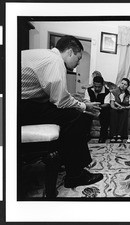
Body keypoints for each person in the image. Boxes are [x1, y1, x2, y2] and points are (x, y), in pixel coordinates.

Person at [21, 35, 104, 188]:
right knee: (76, 116)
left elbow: (55, 94)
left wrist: (80, 101)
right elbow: (61, 101)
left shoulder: (46, 56)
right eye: (78, 59)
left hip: (17, 105)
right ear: (70, 52)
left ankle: (67, 160)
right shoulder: (56, 61)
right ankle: (75, 175)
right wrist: (85, 106)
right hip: (18, 108)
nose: (78, 63)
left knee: (73, 112)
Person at [84, 75, 111, 143]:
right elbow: (87, 101)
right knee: (84, 113)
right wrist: (91, 106)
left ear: (102, 85)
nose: (97, 88)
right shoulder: (88, 90)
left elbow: (106, 104)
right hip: (90, 108)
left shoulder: (107, 92)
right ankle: (86, 135)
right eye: (95, 86)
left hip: (101, 109)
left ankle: (103, 136)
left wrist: (97, 106)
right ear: (93, 84)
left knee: (106, 112)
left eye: (99, 87)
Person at [109, 78, 130, 142]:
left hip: (124, 108)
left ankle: (119, 135)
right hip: (115, 108)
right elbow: (112, 104)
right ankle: (113, 135)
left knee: (124, 113)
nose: (123, 85)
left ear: (127, 86)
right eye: (122, 83)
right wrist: (116, 108)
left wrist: (124, 108)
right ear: (120, 83)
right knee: (113, 112)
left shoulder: (129, 94)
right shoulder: (113, 92)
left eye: (125, 84)